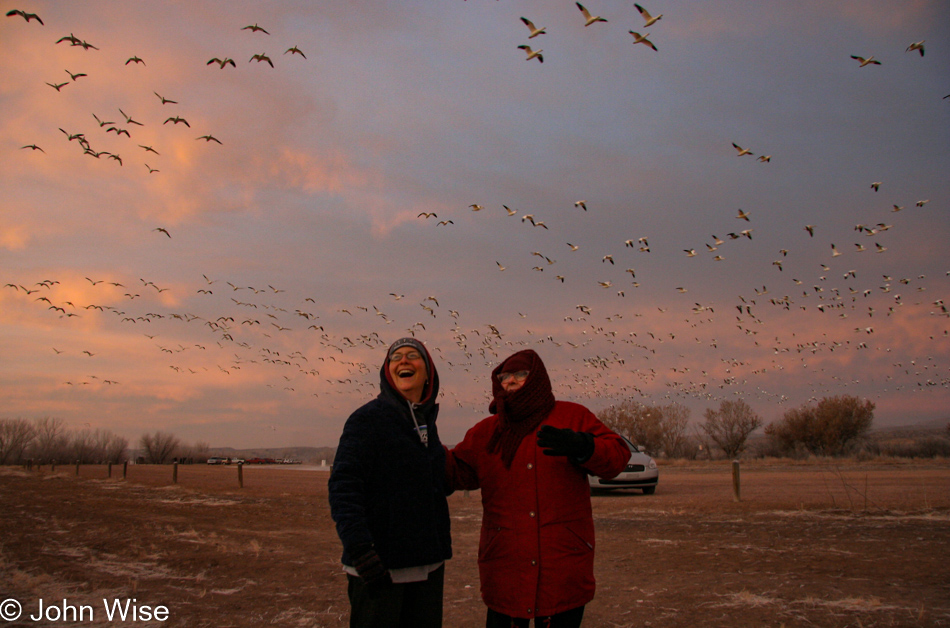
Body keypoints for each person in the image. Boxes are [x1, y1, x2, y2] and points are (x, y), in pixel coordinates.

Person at [445, 349, 630, 628]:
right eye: (504, 377)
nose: (511, 381)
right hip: (505, 569)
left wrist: (584, 446)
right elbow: (456, 473)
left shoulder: (572, 417)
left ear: (537, 379)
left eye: (521, 374)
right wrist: (425, 448)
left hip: (562, 568)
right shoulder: (486, 432)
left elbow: (617, 457)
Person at [328, 337, 452, 628]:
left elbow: (436, 484)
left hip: (427, 568)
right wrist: (360, 549)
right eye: (395, 357)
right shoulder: (366, 420)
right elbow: (344, 487)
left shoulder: (425, 425)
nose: (404, 360)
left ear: (428, 373)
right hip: (379, 569)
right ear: (387, 372)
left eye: (413, 355)